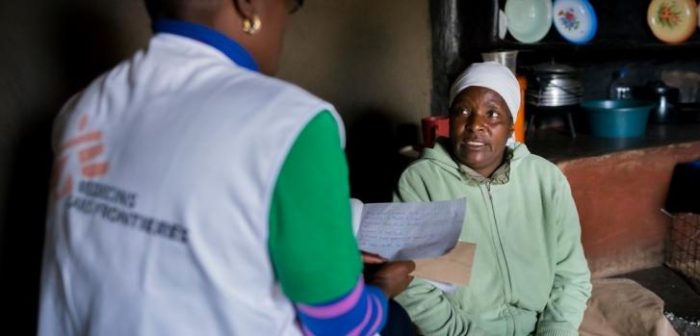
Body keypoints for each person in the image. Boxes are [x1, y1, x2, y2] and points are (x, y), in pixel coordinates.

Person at [38, 0, 414, 335]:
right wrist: (381, 288)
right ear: (248, 5)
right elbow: (341, 323)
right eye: (291, 4)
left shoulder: (82, 109)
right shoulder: (292, 123)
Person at [393, 62, 592, 336]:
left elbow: (571, 274)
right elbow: (415, 287)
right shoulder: (422, 182)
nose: (476, 125)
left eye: (493, 114)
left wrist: (555, 332)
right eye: (463, 111)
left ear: (511, 126)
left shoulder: (546, 180)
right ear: (449, 120)